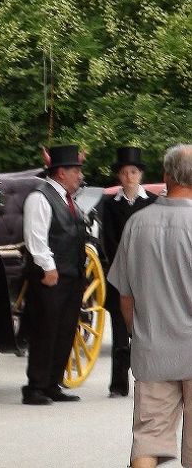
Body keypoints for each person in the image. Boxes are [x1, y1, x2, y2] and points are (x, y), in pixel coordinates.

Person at [108, 144, 192, 468]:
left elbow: (125, 296)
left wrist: (137, 333)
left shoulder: (136, 224)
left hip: (154, 348)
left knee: (148, 437)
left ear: (166, 176)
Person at [21, 145, 86, 405]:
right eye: (76, 171)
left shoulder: (69, 199)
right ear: (61, 173)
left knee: (65, 329)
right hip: (52, 275)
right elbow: (36, 237)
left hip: (72, 274)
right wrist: (48, 267)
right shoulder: (39, 197)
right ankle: (35, 387)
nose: (80, 176)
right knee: (45, 330)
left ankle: (52, 384)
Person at [101, 147, 157, 398]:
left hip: (147, 275)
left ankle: (150, 382)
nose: (129, 177)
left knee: (149, 332)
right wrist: (123, 263)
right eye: (124, 173)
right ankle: (118, 384)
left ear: (140, 174)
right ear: (119, 177)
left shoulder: (153, 203)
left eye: (133, 172)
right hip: (120, 272)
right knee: (120, 332)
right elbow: (109, 239)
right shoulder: (110, 205)